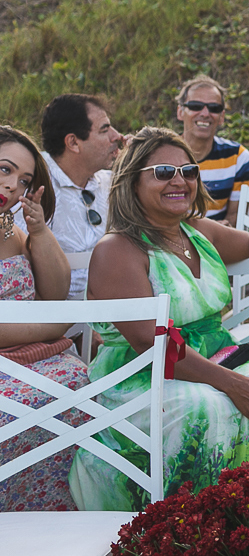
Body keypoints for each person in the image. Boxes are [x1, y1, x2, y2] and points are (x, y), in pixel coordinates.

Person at [70, 127, 249, 510]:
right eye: (163, 172)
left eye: (188, 171)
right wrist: (233, 384)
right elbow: (151, 343)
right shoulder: (118, 249)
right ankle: (182, 521)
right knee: (205, 408)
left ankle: (240, 515)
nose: (179, 180)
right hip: (143, 374)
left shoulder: (196, 231)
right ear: (132, 181)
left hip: (214, 356)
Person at [0, 125, 86, 512]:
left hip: (44, 362)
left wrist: (37, 231)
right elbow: (55, 314)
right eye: (5, 169)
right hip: (17, 368)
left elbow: (54, 293)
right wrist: (52, 326)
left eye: (24, 180)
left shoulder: (10, 229)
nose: (13, 186)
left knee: (86, 391)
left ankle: (63, 522)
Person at [16, 95, 126, 300]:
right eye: (104, 130)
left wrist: (138, 157)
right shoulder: (31, 185)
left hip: (112, 308)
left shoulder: (113, 182)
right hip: (54, 313)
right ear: (73, 143)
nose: (117, 136)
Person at [176, 75, 249, 225]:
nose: (205, 113)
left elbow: (236, 218)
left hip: (217, 238)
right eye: (195, 106)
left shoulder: (238, 157)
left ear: (222, 116)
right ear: (180, 112)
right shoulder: (160, 155)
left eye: (214, 108)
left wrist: (222, 230)